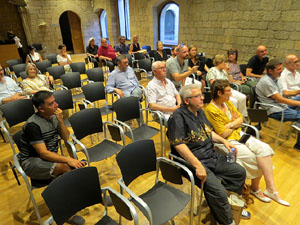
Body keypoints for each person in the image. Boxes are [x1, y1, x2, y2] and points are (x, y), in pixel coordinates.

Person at [167, 83, 247, 225]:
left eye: (201, 95)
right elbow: (178, 145)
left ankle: (225, 204)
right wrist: (197, 165)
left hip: (210, 154)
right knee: (218, 191)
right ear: (186, 101)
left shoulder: (199, 111)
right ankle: (227, 221)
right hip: (192, 161)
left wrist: (224, 141)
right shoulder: (177, 117)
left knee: (238, 172)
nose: (202, 98)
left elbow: (208, 132)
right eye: (197, 96)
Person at [205, 80, 290, 206]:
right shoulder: (210, 109)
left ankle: (270, 189)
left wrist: (230, 125)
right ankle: (255, 188)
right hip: (227, 141)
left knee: (264, 149)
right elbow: (222, 133)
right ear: (219, 93)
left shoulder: (227, 103)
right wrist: (234, 123)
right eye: (228, 91)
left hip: (239, 134)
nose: (231, 94)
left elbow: (241, 118)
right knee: (255, 158)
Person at [17, 91, 86, 224]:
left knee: (75, 166)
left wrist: (60, 120)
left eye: (55, 101)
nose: (57, 105)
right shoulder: (33, 125)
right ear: (41, 108)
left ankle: (82, 195)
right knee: (67, 166)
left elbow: (66, 137)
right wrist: (68, 159)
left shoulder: (53, 117)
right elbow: (43, 153)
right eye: (51, 103)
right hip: (31, 161)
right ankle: (67, 213)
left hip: (49, 157)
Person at [256, 59, 300, 150]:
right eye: (279, 69)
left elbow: (285, 93)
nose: (281, 71)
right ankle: (298, 145)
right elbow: (280, 99)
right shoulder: (266, 82)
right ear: (270, 71)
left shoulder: (276, 78)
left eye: (281, 68)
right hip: (274, 110)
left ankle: (298, 124)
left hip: (281, 106)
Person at [146, 61, 181, 125]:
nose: (164, 70)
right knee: (178, 124)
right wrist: (171, 109)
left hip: (174, 109)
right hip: (162, 114)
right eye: (161, 68)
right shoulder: (151, 85)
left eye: (164, 68)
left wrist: (179, 104)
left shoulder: (168, 81)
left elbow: (177, 94)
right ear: (155, 71)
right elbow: (152, 106)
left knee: (190, 117)